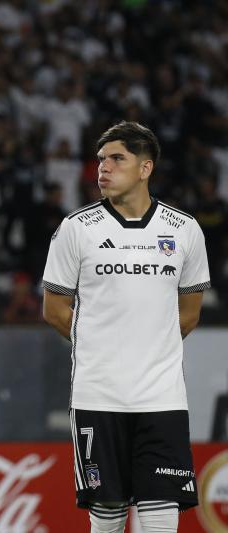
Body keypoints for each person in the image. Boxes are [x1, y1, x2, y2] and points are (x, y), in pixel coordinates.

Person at [42, 121, 210, 533]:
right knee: (108, 514)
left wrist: (149, 346)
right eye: (100, 159)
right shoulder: (76, 229)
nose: (103, 167)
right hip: (98, 395)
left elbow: (189, 313)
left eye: (117, 158)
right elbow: (55, 309)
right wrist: (102, 346)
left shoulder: (184, 229)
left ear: (145, 168)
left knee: (160, 510)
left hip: (162, 397)